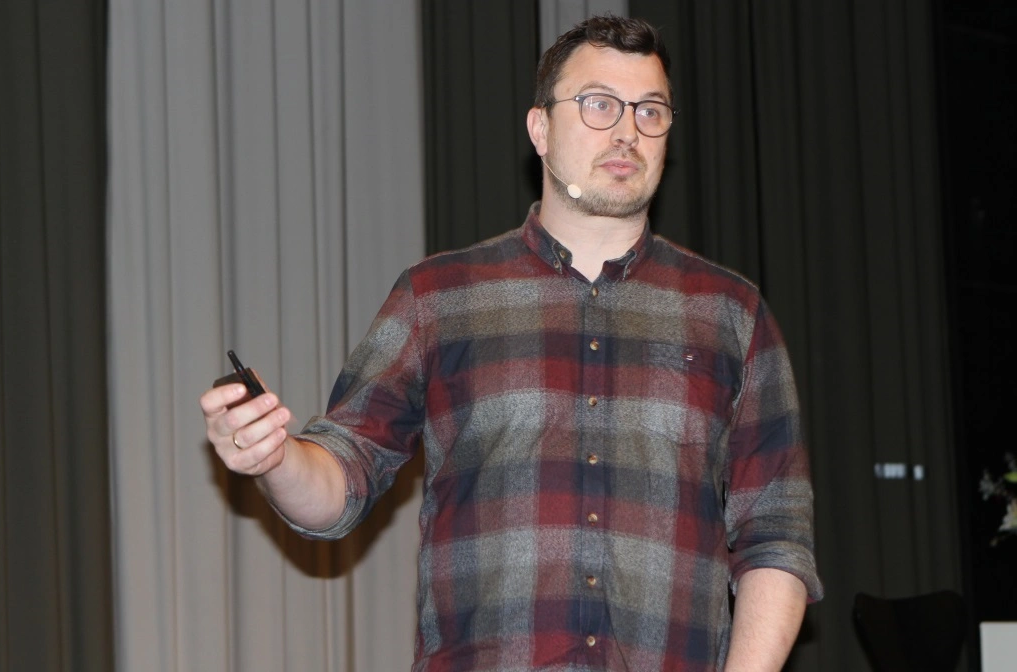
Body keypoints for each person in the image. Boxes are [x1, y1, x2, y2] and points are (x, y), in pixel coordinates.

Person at [201, 14, 822, 672]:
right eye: (599, 104)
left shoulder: (731, 313)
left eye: (650, 111)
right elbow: (340, 480)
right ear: (540, 129)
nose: (625, 131)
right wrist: (272, 457)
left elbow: (777, 537)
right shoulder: (439, 297)